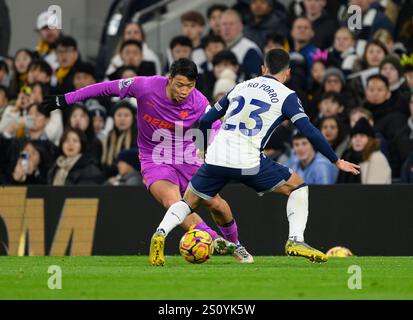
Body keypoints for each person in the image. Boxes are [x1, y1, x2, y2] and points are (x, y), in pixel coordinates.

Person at [148, 49, 360, 266]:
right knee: (297, 187)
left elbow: (205, 121)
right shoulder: (287, 96)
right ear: (287, 72)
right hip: (248, 161)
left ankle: (161, 233)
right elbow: (310, 131)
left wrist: (202, 150)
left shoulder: (241, 86)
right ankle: (296, 240)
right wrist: (336, 160)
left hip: (218, 155)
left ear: (263, 69)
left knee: (188, 202)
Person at [41, 58, 253, 263]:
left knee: (215, 203)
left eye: (189, 86)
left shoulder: (198, 101)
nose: (183, 91)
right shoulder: (145, 86)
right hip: (155, 158)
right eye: (179, 84)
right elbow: (106, 88)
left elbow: (214, 126)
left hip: (188, 157)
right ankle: (215, 241)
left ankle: (235, 243)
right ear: (169, 78)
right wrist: (65, 99)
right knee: (173, 202)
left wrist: (208, 147)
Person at [337, 118, 391, 184]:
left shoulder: (377, 157)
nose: (357, 140)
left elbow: (375, 189)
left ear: (370, 140)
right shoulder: (347, 156)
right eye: (355, 136)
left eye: (362, 136)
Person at [219, 9, 263, 78]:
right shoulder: (218, 48)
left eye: (231, 24)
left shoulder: (250, 49)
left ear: (241, 26)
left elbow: (254, 79)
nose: (227, 28)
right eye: (224, 24)